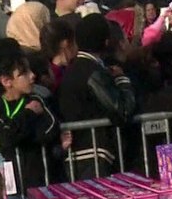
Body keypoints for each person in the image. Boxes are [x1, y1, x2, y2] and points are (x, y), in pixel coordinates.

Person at [58, 14, 137, 178]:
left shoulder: (74, 69)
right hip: (95, 154)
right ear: (106, 41)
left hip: (80, 153)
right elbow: (121, 109)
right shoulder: (92, 72)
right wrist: (122, 81)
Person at [0, 48, 60, 190]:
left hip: (39, 180)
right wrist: (29, 114)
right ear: (7, 81)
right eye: (24, 73)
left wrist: (18, 136)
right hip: (9, 184)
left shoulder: (37, 100)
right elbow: (6, 136)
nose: (32, 76)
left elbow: (51, 129)